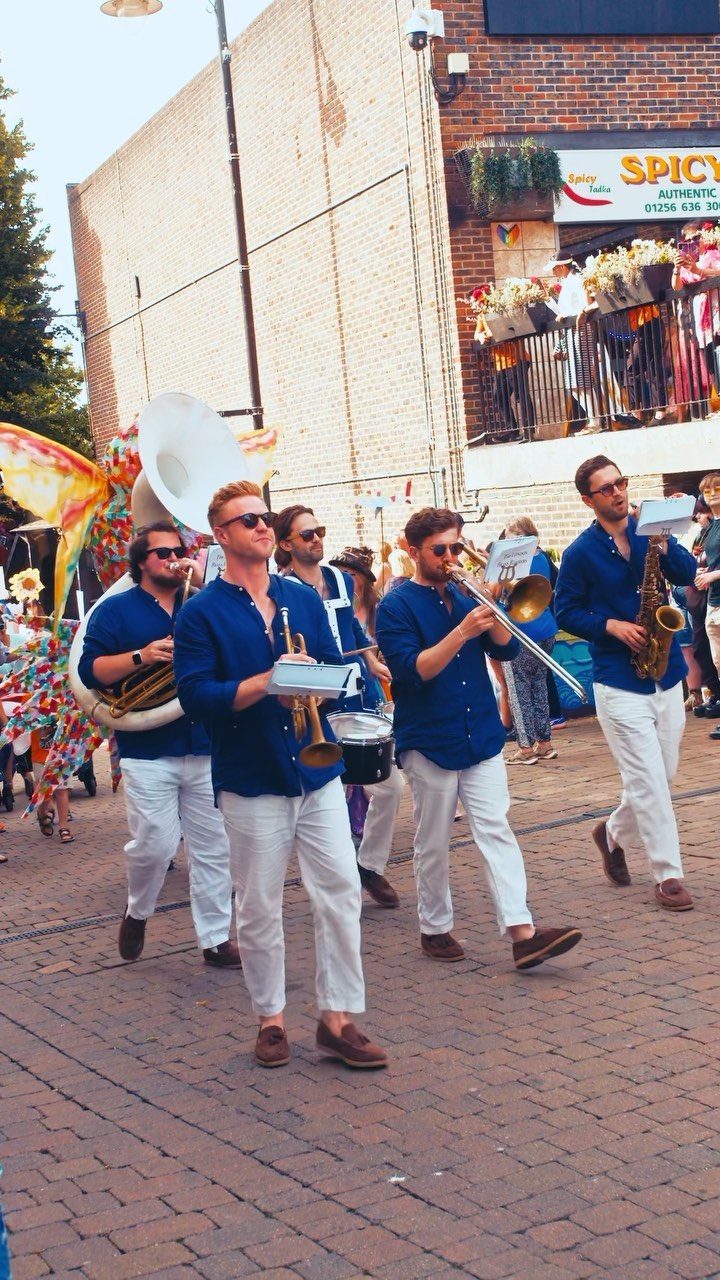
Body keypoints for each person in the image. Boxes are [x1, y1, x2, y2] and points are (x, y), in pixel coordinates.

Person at [174, 481, 387, 1071]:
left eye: (265, 518)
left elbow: (328, 665)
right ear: (222, 535)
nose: (262, 527)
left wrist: (323, 677)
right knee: (261, 906)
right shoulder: (201, 613)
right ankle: (270, 1019)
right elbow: (197, 697)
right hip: (252, 775)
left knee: (341, 891)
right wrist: (266, 682)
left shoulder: (302, 598)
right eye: (247, 521)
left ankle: (337, 1018)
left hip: (316, 766)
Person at [376, 506, 582, 970]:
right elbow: (413, 673)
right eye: (440, 550)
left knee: (496, 829)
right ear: (414, 553)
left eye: (455, 546)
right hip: (430, 737)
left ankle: (521, 931)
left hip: (482, 732)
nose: (451, 557)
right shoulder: (395, 605)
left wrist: (499, 612)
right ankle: (435, 926)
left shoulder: (467, 596)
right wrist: (461, 631)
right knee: (432, 841)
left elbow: (504, 649)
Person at [78, 521, 240, 968]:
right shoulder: (115, 610)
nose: (175, 559)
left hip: (206, 741)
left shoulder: (203, 603)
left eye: (179, 551)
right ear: (141, 562)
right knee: (155, 844)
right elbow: (91, 672)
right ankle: (138, 910)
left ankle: (215, 939)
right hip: (148, 747)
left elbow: (240, 637)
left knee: (214, 847)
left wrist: (208, 584)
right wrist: (142, 657)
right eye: (164, 553)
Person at [555, 456, 697, 911]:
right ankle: (668, 874)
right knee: (650, 781)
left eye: (621, 482)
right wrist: (612, 626)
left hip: (666, 671)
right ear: (588, 500)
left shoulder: (649, 529)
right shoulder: (580, 553)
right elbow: (567, 612)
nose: (618, 492)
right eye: (606, 488)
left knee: (664, 773)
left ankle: (612, 833)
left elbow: (687, 575)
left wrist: (664, 542)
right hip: (618, 680)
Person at [274, 507, 404, 910]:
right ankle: (331, 880)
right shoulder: (281, 590)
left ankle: (368, 865)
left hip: (355, 690)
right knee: (325, 787)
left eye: (320, 531)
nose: (317, 539)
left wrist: (371, 660)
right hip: (314, 698)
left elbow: (351, 630)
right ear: (286, 544)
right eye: (307, 533)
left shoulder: (339, 580)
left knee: (390, 785)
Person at [501, 516, 559, 765]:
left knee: (519, 690)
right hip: (546, 629)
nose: (506, 541)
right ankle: (544, 743)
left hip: (520, 631)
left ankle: (525, 748)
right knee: (539, 686)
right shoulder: (543, 557)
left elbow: (498, 593)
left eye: (509, 537)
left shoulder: (515, 561)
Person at [695, 471, 720, 740]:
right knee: (718, 662)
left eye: (717, 489)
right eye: (707, 491)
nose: (712, 494)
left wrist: (713, 575)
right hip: (713, 602)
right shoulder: (711, 527)